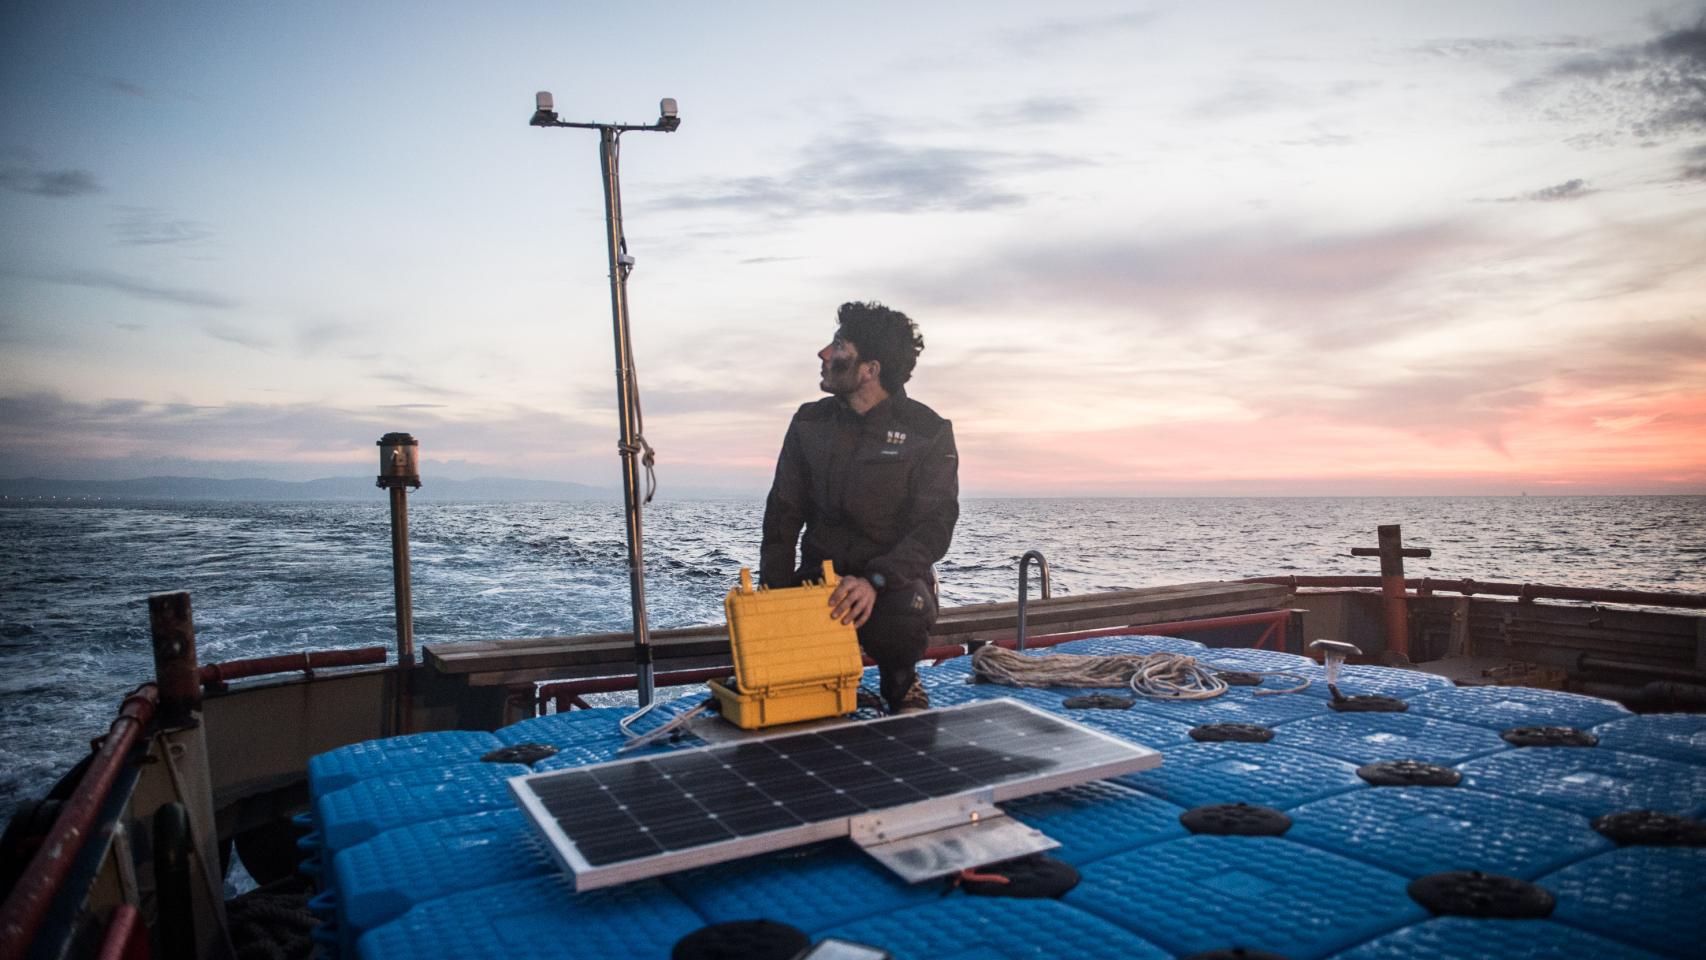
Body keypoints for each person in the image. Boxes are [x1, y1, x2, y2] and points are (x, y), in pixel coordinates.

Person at [760, 301, 960, 714]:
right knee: (783, 691)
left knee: (905, 612)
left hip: (894, 584)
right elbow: (782, 515)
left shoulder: (928, 432)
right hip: (819, 581)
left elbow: (935, 526)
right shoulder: (809, 423)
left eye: (837, 346)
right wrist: (773, 599)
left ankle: (902, 684)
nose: (823, 355)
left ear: (869, 368)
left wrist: (874, 580)